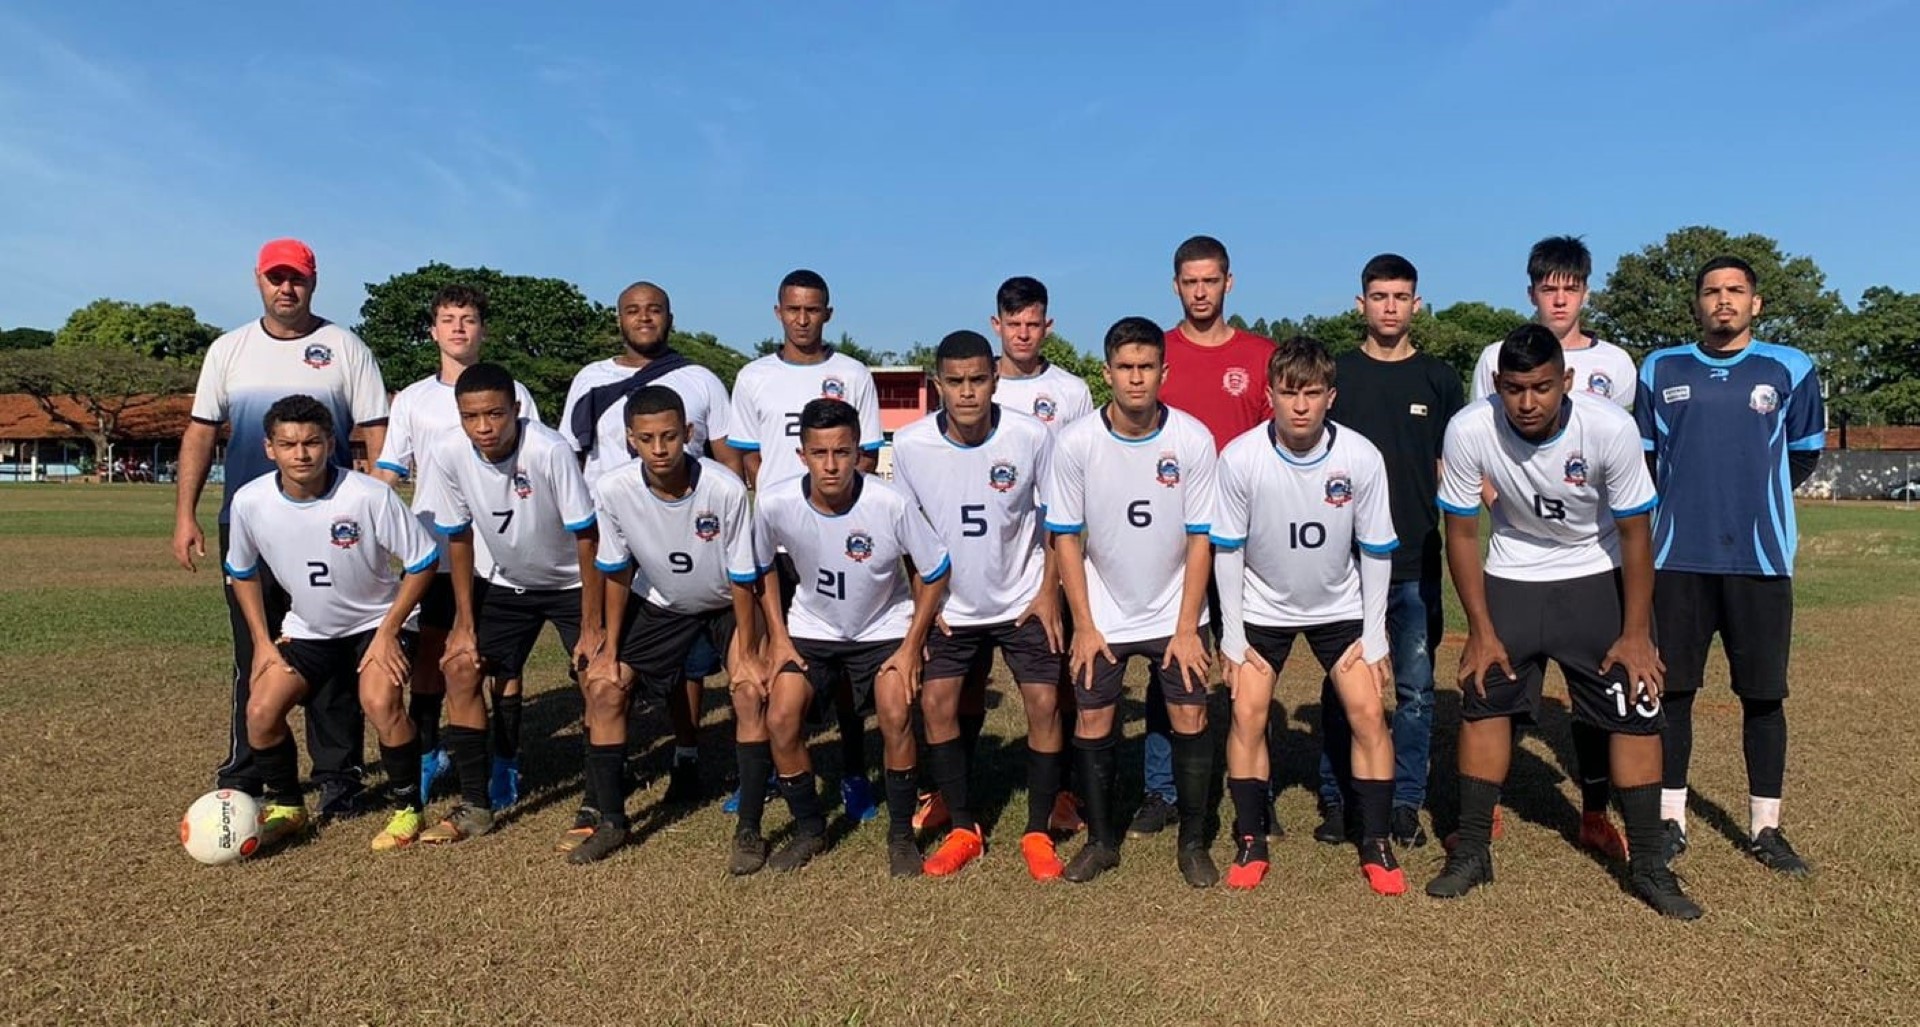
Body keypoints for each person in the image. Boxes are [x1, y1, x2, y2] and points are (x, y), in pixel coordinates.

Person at [1428, 325, 1699, 919]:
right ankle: (1472, 850)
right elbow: (1463, 531)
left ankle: (1649, 865)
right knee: (1483, 698)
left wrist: (1635, 633)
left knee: (1635, 708)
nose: (1528, 403)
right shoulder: (1470, 427)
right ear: (1497, 384)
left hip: (1594, 572)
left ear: (1566, 382)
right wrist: (1480, 628)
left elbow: (1635, 535)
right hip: (1514, 572)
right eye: (1515, 388)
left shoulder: (1609, 427)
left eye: (1542, 388)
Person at [172, 238, 390, 817]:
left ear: (313, 282)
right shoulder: (229, 350)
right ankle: (250, 771)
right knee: (255, 652)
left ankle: (339, 777)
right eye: (275, 278)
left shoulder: (344, 348)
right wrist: (185, 514)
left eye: (296, 278)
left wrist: (380, 514)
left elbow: (374, 431)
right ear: (258, 281)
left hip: (333, 525)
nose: (285, 288)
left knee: (334, 651)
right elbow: (200, 432)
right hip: (250, 525)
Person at [1637, 256, 1823, 876]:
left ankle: (1766, 827)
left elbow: (1801, 457)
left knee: (1764, 697)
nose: (1724, 300)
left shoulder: (1790, 368)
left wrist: (1750, 501)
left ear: (1756, 303)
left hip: (1760, 560)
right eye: (1712, 291)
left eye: (1736, 291)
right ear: (1696, 303)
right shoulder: (1661, 369)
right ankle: (1669, 819)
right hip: (1678, 560)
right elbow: (1647, 458)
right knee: (1675, 693)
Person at [1466, 236, 1641, 852]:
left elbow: (1617, 462)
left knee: (1594, 691)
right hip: (1517, 556)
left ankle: (1594, 811)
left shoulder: (1616, 365)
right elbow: (1479, 455)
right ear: (1532, 290)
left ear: (1586, 292)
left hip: (1592, 557)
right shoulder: (1495, 356)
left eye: (1570, 286)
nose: (1559, 297)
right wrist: (1509, 508)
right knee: (1501, 687)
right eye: (1548, 286)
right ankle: (1482, 811)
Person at [1214, 337, 1403, 894]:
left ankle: (1376, 841)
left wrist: (1374, 635)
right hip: (1261, 604)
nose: (1300, 405)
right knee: (1248, 712)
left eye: (1312, 393)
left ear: (1331, 397)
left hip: (1339, 606)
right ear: (1269, 394)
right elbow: (1228, 549)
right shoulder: (1241, 457)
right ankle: (1251, 836)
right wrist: (1230, 634)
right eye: (1289, 392)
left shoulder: (1361, 457)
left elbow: (1375, 550)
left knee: (1368, 712)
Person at [224, 395, 439, 852]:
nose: (301, 454)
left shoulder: (368, 495)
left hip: (376, 622)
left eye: (311, 443)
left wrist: (388, 633)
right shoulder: (250, 501)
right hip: (309, 630)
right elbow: (241, 573)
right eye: (288, 444)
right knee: (260, 712)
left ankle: (408, 810)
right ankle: (288, 807)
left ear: (331, 444)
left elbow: (423, 561)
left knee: (381, 702)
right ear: (270, 449)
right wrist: (263, 644)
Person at [1047, 316, 1219, 886]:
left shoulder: (1192, 439)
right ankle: (1101, 843)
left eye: (1147, 367)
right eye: (1126, 367)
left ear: (1164, 372)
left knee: (1190, 712)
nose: (1137, 378)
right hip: (1105, 612)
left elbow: (1201, 537)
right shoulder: (1076, 444)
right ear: (1107, 373)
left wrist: (1188, 625)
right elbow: (1066, 538)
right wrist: (1086, 625)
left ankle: (1193, 843)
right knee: (1094, 719)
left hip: (1176, 608)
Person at [889, 330, 1065, 879]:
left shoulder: (1031, 436)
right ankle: (964, 824)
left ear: (994, 378)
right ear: (937, 383)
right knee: (937, 703)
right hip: (951, 605)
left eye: (978, 380)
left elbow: (1058, 522)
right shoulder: (912, 445)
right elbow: (907, 531)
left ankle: (1038, 828)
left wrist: (1046, 594)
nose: (967, 393)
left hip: (1021, 598)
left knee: (1043, 703)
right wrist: (926, 598)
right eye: (956, 382)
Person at [751, 398, 950, 875]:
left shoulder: (891, 503)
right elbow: (759, 569)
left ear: (860, 451)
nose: (831, 464)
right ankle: (810, 828)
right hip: (811, 627)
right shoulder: (775, 501)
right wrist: (777, 637)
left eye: (842, 451)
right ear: (802, 455)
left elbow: (936, 570)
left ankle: (902, 835)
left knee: (896, 710)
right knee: (780, 717)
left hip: (882, 629)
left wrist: (911, 644)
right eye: (819, 453)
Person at [561, 281, 742, 805]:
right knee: (605, 659)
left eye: (654, 310)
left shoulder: (700, 378)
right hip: (617, 540)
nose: (644, 319)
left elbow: (725, 455)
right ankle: (606, 777)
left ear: (670, 316)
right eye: (632, 311)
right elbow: (572, 461)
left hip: (690, 534)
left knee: (692, 662)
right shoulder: (590, 379)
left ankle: (687, 755)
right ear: (618, 318)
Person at [412, 364, 603, 847]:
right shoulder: (449, 452)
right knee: (459, 668)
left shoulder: (550, 450)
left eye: (495, 413)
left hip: (568, 585)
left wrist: (591, 622)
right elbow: (458, 539)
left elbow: (587, 537)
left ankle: (597, 803)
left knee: (598, 678)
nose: (484, 427)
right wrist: (463, 623)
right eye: (471, 416)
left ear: (516, 410)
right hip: (505, 584)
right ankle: (475, 806)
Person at [1313, 255, 1466, 851]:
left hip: (1414, 561)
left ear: (1416, 305)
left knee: (1416, 688)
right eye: (1379, 297)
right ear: (1361, 305)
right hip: (1344, 566)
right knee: (1340, 685)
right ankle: (1338, 798)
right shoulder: (1340, 377)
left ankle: (1405, 801)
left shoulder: (1439, 379)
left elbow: (1448, 469)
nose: (1389, 307)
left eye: (1400, 297)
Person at [1127, 235, 1276, 841]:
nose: (1200, 292)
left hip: (1241, 540)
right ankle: (1163, 790)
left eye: (1210, 281)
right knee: (1174, 661)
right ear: (1175, 286)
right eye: (1190, 282)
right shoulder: (1153, 354)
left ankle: (1252, 790)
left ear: (1229, 283)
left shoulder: (1261, 355)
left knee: (1249, 664)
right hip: (1168, 541)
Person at [583, 386, 768, 868]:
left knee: (749, 690)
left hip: (726, 603)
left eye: (669, 436)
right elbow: (617, 570)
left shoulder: (723, 487)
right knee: (604, 687)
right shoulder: (613, 489)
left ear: (688, 434)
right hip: (662, 604)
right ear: (630, 440)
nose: (660, 448)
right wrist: (609, 645)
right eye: (647, 439)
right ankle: (611, 822)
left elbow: (744, 576)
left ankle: (749, 828)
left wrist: (747, 651)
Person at [728, 270, 887, 824]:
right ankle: (773, 768)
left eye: (813, 310)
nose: (802, 319)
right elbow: (748, 460)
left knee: (843, 663)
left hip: (839, 539)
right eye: (793, 310)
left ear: (828, 313)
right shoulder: (753, 378)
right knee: (779, 655)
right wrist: (785, 509)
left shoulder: (852, 374)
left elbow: (863, 455)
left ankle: (852, 771)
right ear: (778, 312)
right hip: (779, 541)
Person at [373, 285, 540, 808]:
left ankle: (505, 763)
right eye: (448, 319)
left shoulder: (515, 394)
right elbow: (388, 472)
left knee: (501, 664)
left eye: (468, 318)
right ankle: (427, 756)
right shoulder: (413, 400)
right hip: (437, 549)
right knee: (431, 655)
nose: (459, 328)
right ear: (434, 331)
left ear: (482, 329)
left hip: (501, 551)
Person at [991, 276, 1095, 427]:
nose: (1023, 335)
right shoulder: (975, 390)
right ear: (997, 325)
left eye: (1032, 325)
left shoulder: (1073, 390)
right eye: (1013, 324)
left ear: (1047, 327)